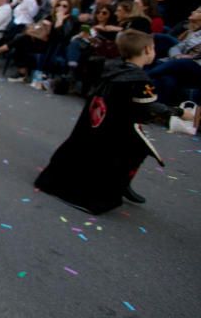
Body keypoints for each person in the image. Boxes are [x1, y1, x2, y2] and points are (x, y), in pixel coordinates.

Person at [35, 30, 190, 214]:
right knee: (130, 151)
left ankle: (122, 184)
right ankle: (107, 189)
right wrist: (180, 112)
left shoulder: (112, 67)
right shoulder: (138, 81)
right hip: (114, 130)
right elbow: (150, 108)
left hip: (94, 124)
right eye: (154, 48)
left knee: (117, 148)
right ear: (147, 49)